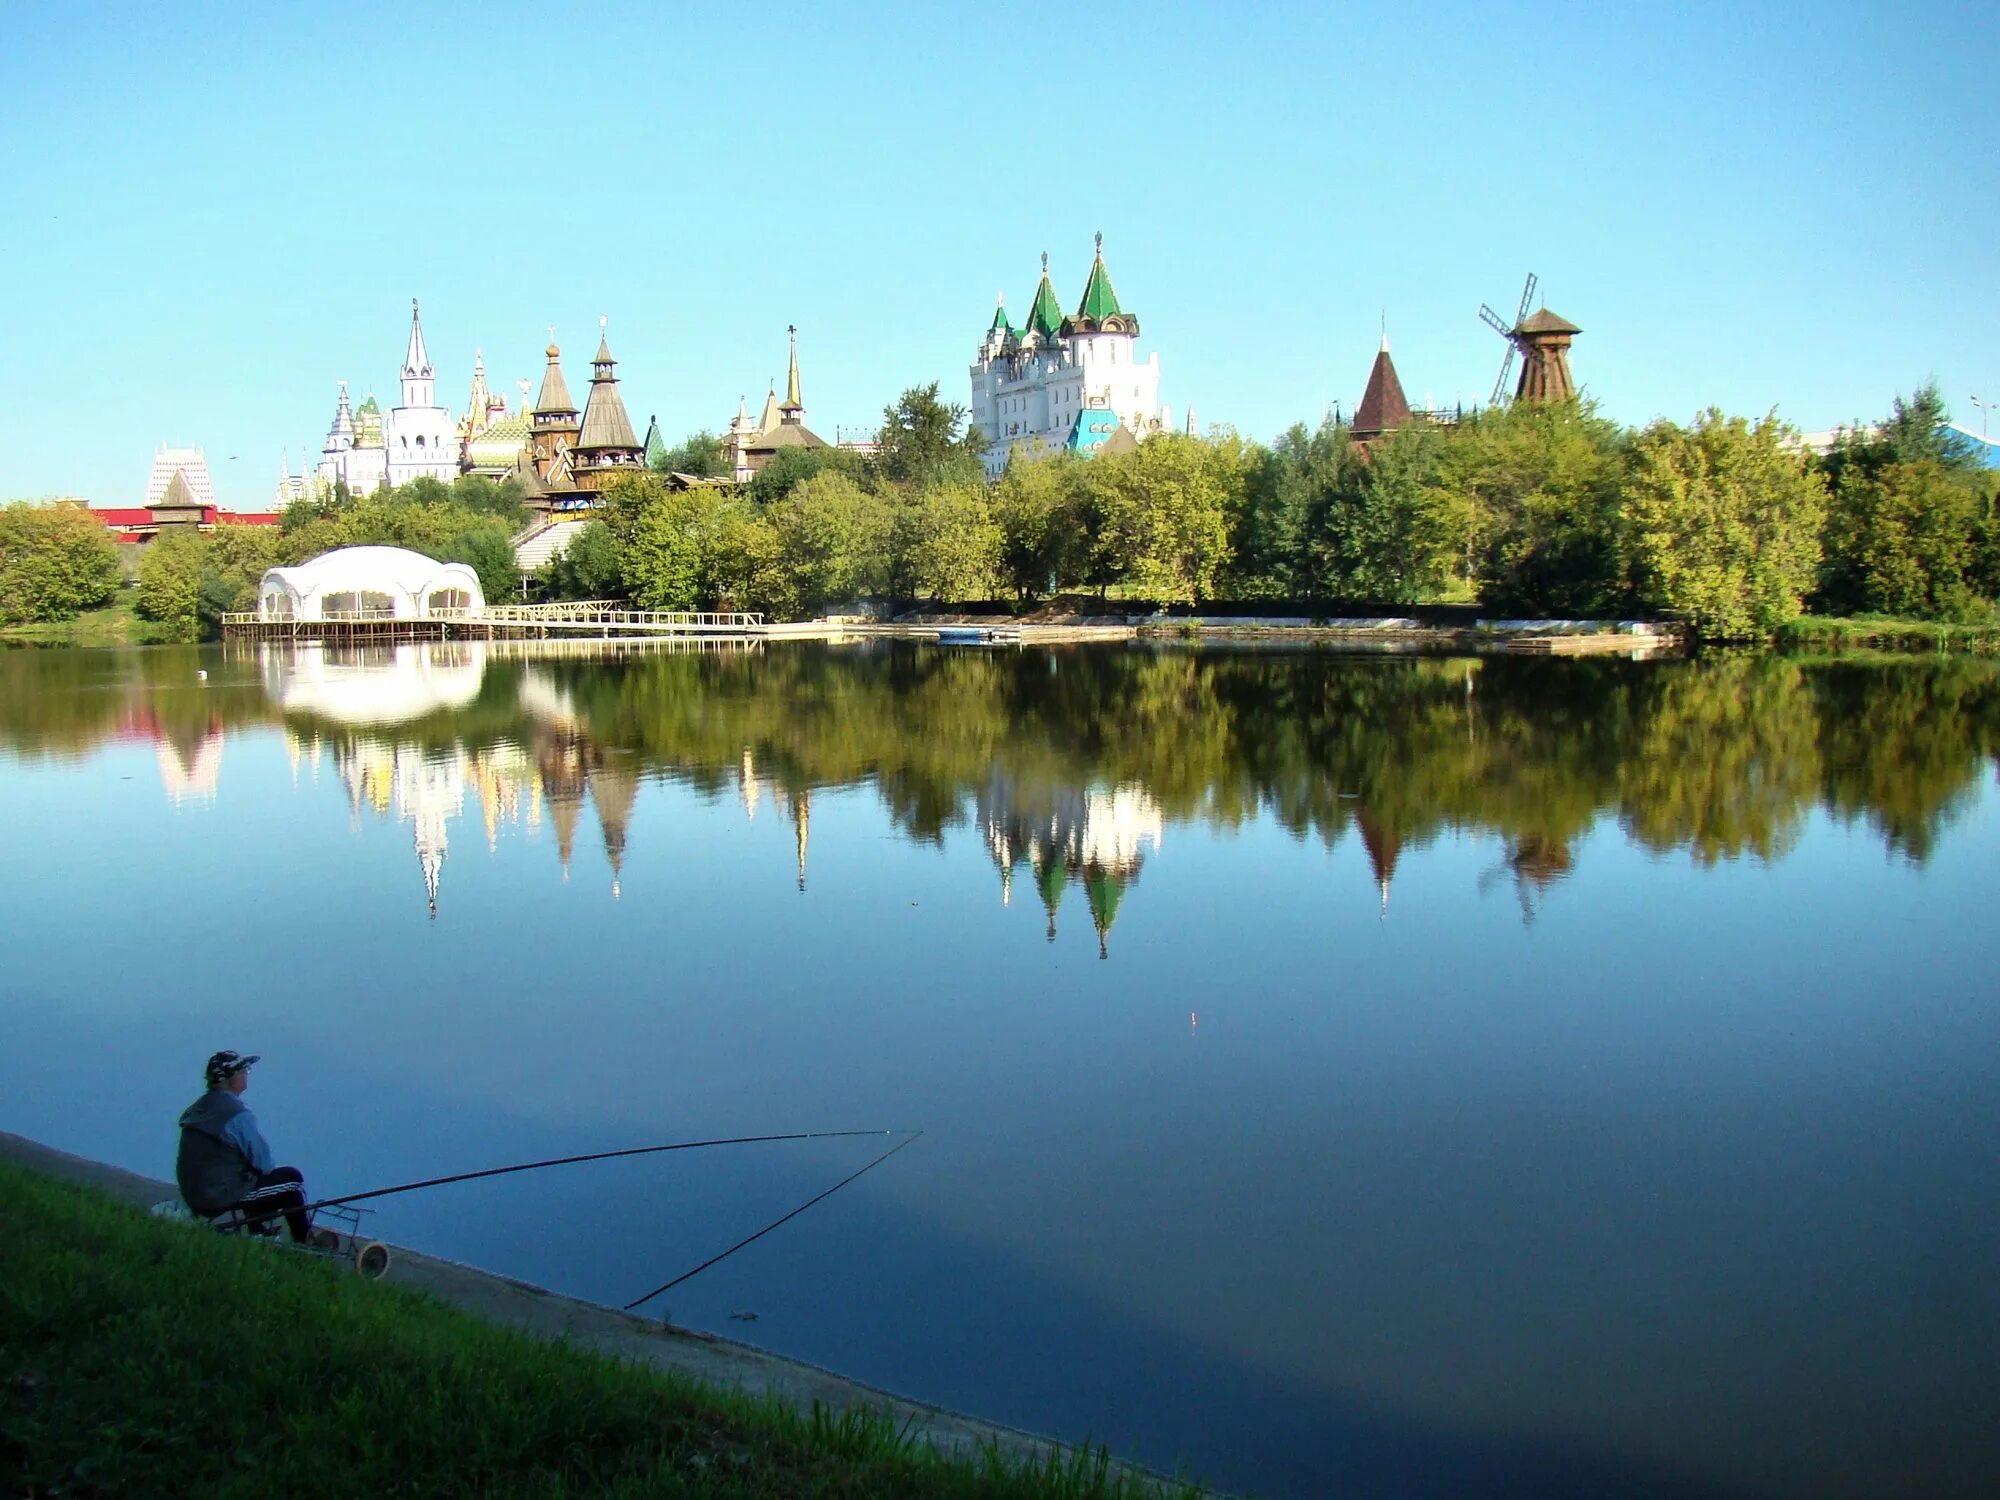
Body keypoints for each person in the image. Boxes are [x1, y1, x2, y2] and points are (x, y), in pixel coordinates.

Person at [176, 1050, 315, 1244]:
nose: (246, 1075)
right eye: (244, 1071)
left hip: (194, 1194)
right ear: (232, 1079)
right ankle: (304, 1243)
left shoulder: (197, 1109)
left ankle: (258, 1228)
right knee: (292, 1181)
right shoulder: (237, 1115)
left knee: (250, 1173)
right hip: (218, 1196)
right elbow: (264, 1163)